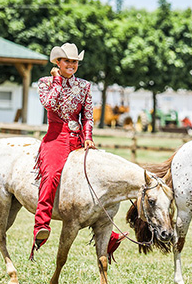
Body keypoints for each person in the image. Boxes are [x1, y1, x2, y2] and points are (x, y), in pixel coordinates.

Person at [32, 42, 125, 259]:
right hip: (56, 137)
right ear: (58, 62)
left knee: (100, 178)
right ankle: (41, 225)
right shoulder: (45, 83)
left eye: (75, 61)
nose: (72, 64)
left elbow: (88, 115)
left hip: (80, 138)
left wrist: (89, 137)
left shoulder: (84, 86)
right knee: (52, 174)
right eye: (67, 61)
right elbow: (49, 104)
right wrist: (57, 80)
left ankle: (108, 231)